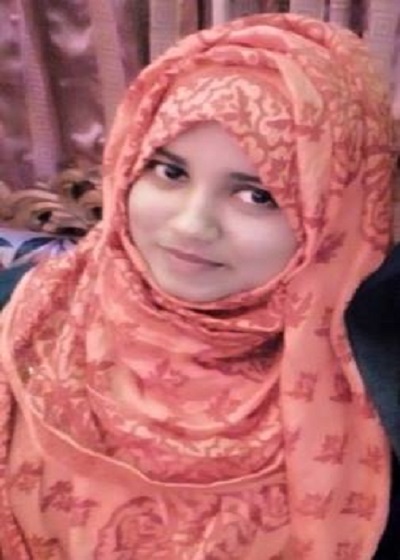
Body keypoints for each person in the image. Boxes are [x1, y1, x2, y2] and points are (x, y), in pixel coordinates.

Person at [0, 12, 395, 560]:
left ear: (333, 218)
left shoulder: (378, 383)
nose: (191, 225)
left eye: (258, 195)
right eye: (170, 171)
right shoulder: (24, 320)